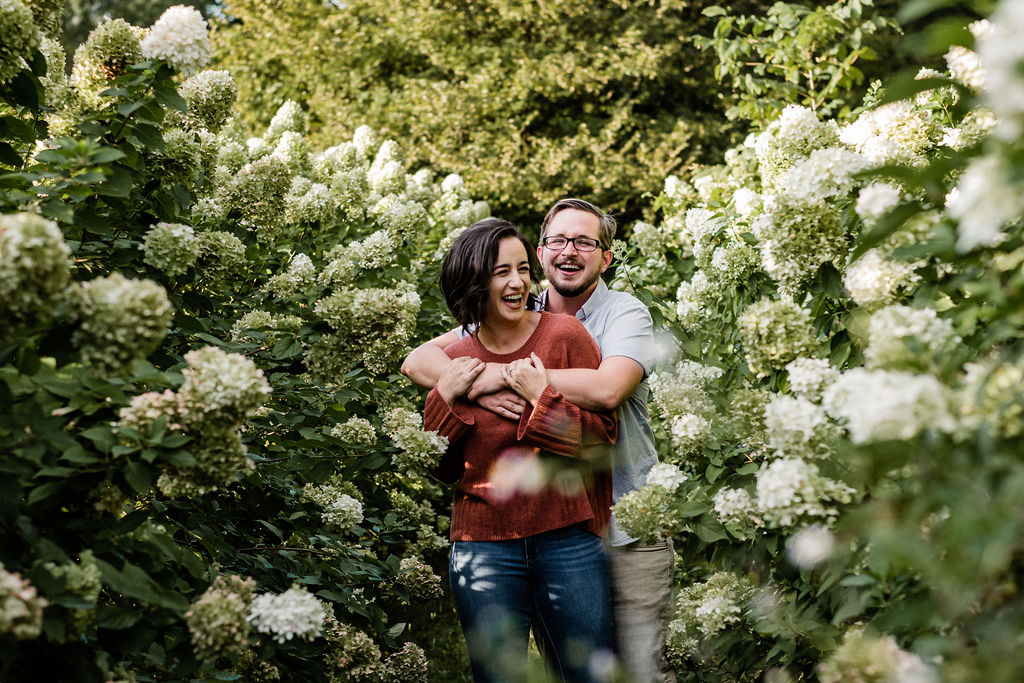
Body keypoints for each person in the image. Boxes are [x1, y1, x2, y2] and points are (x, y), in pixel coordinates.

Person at [403, 199, 676, 683]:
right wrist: (469, 390)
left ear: (605, 257)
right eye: (556, 241)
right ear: (542, 249)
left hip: (617, 521)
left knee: (630, 672)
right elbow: (420, 369)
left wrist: (525, 385)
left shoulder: (611, 317)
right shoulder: (485, 334)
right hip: (489, 539)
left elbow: (608, 393)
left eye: (584, 242)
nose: (568, 251)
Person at [422, 217, 618, 682]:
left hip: (567, 539)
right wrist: (448, 397)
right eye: (500, 272)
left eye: (523, 268)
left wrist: (540, 399)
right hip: (482, 547)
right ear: (473, 281)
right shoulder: (454, 361)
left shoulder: (565, 338)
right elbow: (440, 466)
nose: (517, 282)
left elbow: (599, 441)